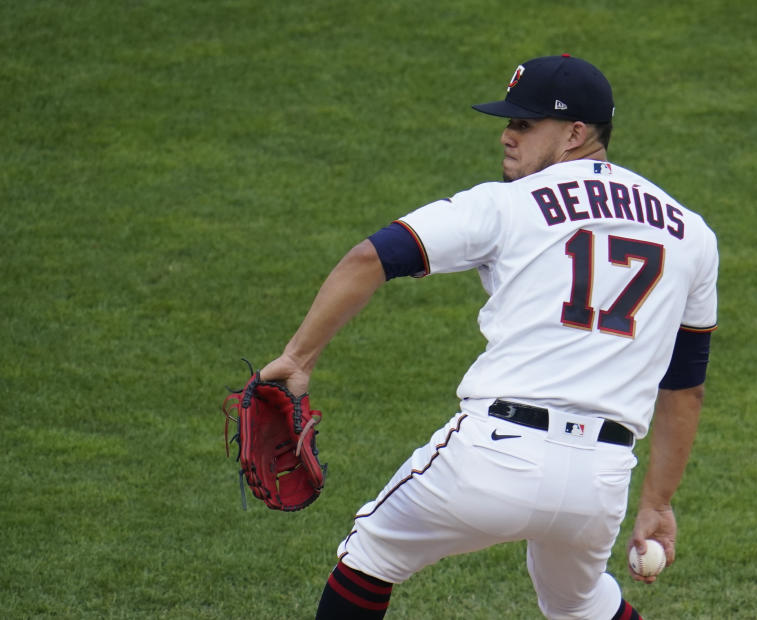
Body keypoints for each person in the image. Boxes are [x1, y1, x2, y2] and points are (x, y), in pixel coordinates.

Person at [260, 54, 718, 620]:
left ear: (575, 133)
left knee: (370, 555)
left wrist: (297, 358)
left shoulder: (507, 204)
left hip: (494, 457)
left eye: (525, 124)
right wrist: (658, 504)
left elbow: (369, 258)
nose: (508, 135)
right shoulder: (692, 233)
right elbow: (685, 385)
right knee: (579, 602)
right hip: (600, 482)